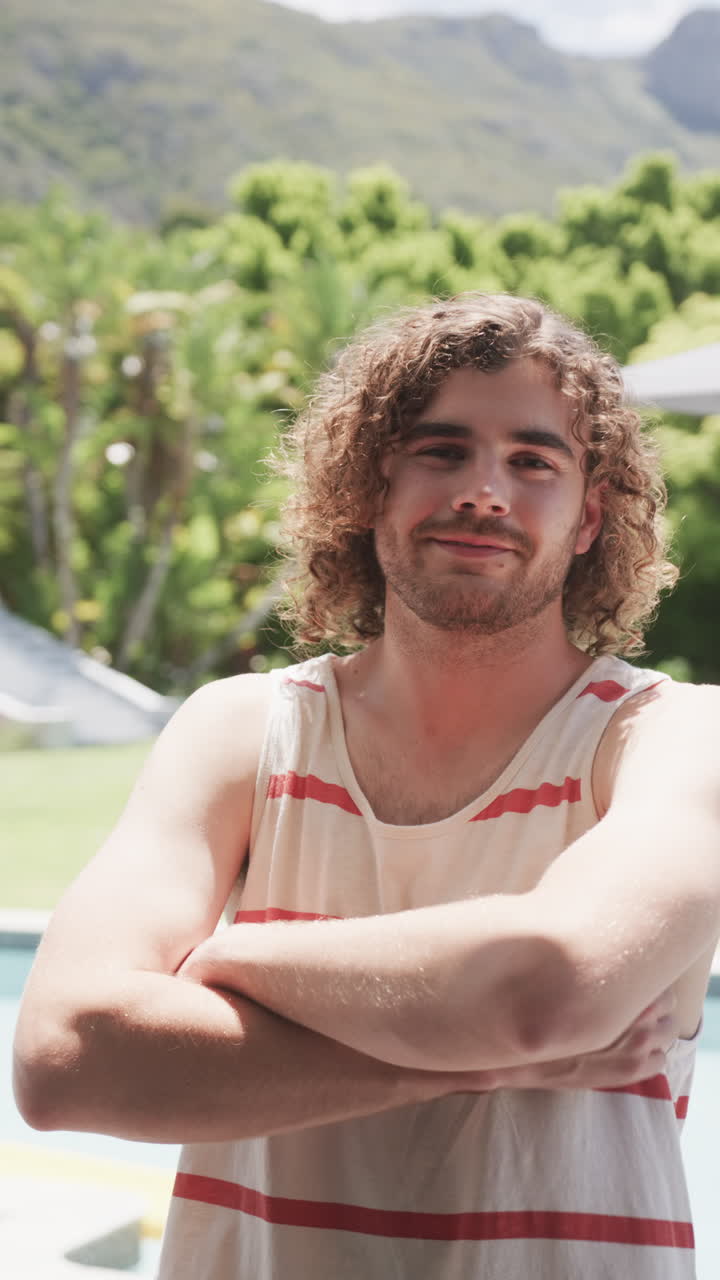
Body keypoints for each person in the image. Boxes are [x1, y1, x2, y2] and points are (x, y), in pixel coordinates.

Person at [14, 293, 720, 1279]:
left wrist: (235, 955)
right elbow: (65, 1061)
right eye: (440, 451)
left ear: (591, 513)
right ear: (366, 487)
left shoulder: (674, 737)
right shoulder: (240, 731)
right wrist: (483, 1058)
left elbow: (544, 988)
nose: (485, 490)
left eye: (533, 460)